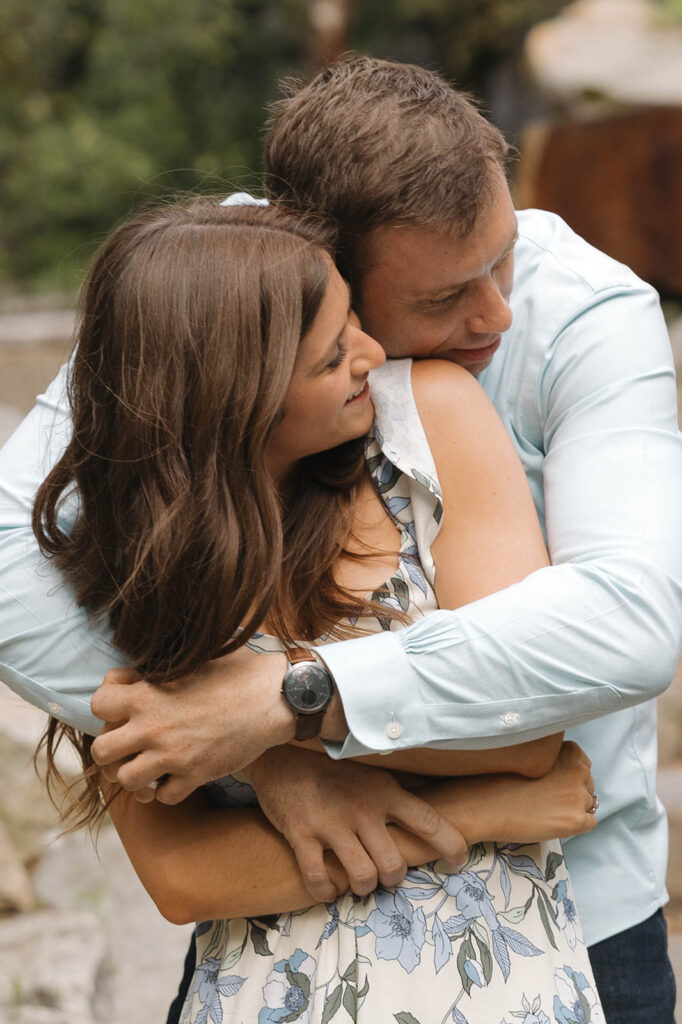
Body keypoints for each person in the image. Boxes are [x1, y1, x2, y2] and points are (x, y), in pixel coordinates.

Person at [0, 56, 680, 1021]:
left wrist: (289, 702)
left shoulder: (579, 319)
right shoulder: (214, 301)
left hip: (575, 920)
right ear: (316, 266)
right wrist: (264, 757)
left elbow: (625, 632)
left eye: (503, 254)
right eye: (445, 297)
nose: (498, 311)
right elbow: (184, 868)